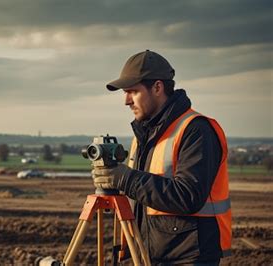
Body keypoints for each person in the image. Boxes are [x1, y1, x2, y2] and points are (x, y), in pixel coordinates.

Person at [92, 50, 231, 265]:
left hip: (188, 258)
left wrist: (126, 179)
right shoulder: (143, 135)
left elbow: (188, 196)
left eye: (132, 91)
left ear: (157, 87)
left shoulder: (196, 130)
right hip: (148, 256)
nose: (126, 101)